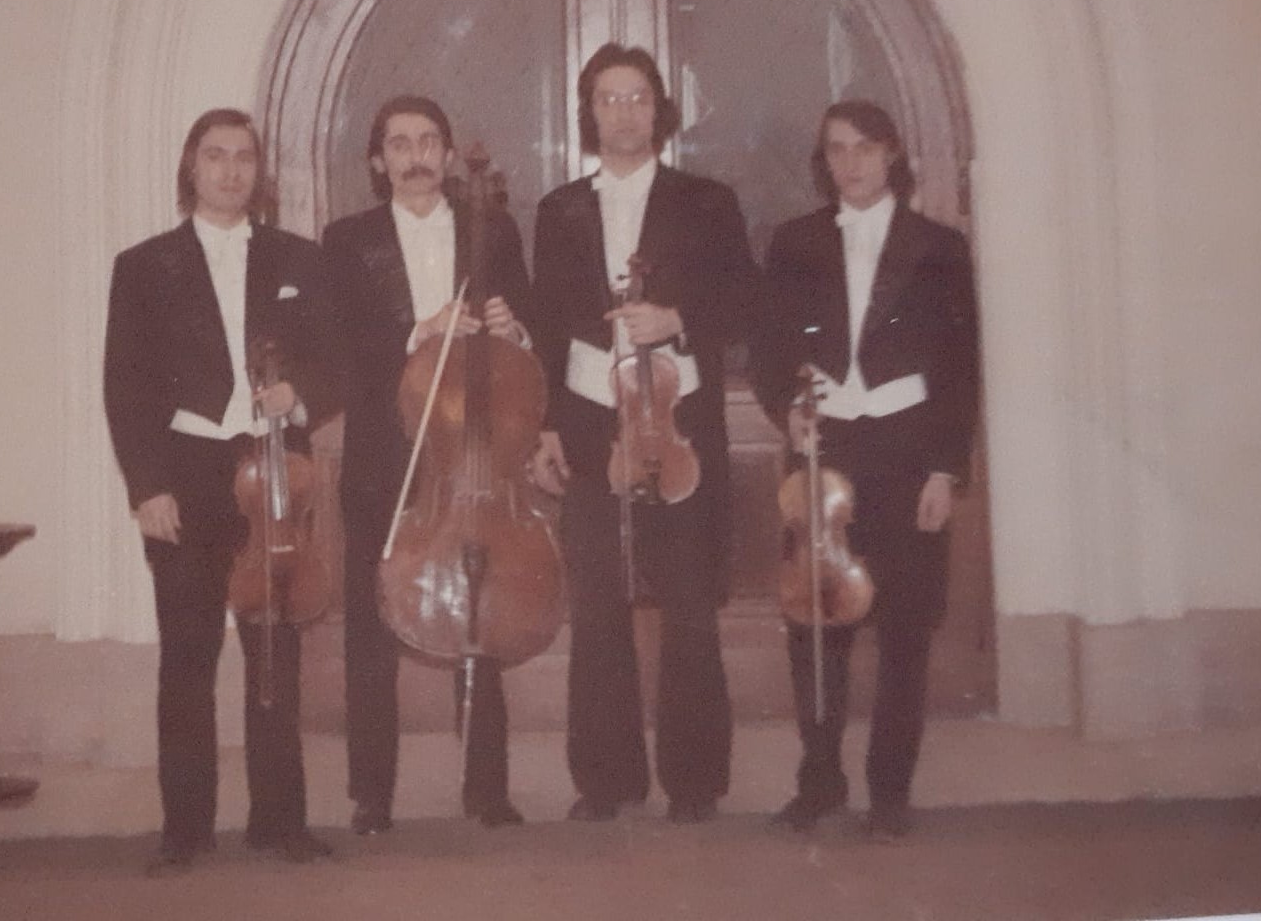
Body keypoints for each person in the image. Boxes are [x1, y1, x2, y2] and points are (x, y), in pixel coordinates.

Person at [527, 44, 762, 824]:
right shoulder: (560, 209)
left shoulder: (706, 200)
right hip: (591, 418)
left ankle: (695, 781)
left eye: (636, 98)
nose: (623, 113)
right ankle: (606, 779)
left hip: (677, 418)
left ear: (659, 110)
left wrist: (678, 318)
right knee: (598, 602)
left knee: (688, 601)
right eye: (608, 98)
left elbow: (745, 299)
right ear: (588, 114)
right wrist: (547, 427)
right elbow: (548, 323)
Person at [103, 107, 340, 871]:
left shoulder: (299, 258)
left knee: (275, 655)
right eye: (215, 156)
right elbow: (125, 387)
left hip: (272, 472)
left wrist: (299, 395)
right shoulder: (144, 265)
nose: (231, 170)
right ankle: (186, 828)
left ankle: (280, 820)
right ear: (191, 168)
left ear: (258, 172)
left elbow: (335, 362)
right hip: (187, 475)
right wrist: (147, 488)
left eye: (244, 157)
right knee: (187, 656)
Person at [752, 99, 979, 841]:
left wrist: (944, 471)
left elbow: (959, 367)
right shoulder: (795, 242)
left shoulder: (937, 246)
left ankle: (889, 792)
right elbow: (768, 346)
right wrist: (786, 407)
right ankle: (819, 782)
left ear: (890, 155)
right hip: (826, 450)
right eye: (836, 150)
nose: (849, 163)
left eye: (863, 148)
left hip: (908, 452)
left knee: (905, 629)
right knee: (816, 624)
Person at [322, 95, 533, 834]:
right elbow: (340, 350)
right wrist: (422, 331)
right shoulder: (346, 241)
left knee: (479, 613)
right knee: (372, 623)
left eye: (428, 141)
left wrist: (512, 327)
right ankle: (372, 794)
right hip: (385, 456)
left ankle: (487, 789)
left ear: (447, 154)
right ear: (379, 161)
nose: (415, 156)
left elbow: (522, 333)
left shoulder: (493, 229)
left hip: (471, 456)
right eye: (399, 144)